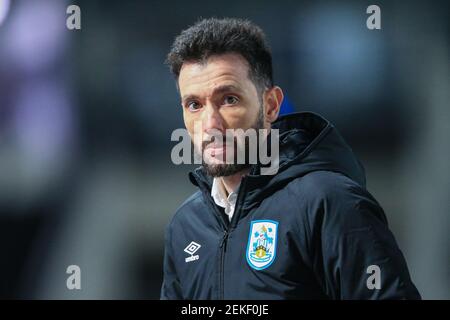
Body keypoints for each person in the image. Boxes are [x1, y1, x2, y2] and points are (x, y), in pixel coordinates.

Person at [160, 17, 421, 299]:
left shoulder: (330, 202)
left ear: (270, 105)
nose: (211, 123)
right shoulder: (185, 225)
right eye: (194, 105)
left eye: (229, 99)